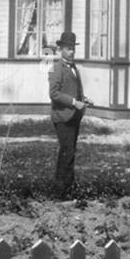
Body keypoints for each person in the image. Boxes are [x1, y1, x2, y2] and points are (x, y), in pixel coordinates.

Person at [48, 31, 92, 197]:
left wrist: (84, 99)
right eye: (67, 49)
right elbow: (54, 93)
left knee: (70, 152)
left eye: (73, 48)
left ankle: (69, 188)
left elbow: (74, 90)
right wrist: (74, 102)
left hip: (74, 116)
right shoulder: (56, 67)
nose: (71, 52)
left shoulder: (74, 68)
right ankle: (59, 190)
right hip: (62, 116)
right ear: (60, 50)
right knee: (66, 151)